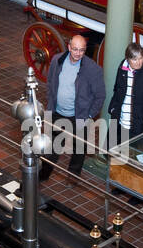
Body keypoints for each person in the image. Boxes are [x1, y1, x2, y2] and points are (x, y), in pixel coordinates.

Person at [42, 32, 105, 178]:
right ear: (69, 47)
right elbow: (50, 82)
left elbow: (100, 95)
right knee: (53, 146)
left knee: (79, 147)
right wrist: (51, 101)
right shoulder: (57, 60)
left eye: (82, 50)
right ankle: (43, 174)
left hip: (79, 115)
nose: (78, 53)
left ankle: (73, 175)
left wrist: (89, 115)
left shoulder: (93, 69)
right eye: (75, 49)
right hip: (58, 112)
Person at [107, 42, 143, 151]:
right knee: (114, 155)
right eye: (134, 59)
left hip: (140, 125)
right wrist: (113, 108)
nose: (139, 62)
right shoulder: (122, 67)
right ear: (127, 59)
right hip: (120, 122)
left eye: (141, 58)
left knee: (137, 157)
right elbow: (117, 89)